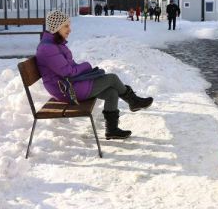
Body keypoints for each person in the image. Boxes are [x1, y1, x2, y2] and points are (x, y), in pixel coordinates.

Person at [36, 10, 154, 139]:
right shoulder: (48, 48)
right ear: (56, 28)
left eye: (69, 25)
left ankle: (112, 129)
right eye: (66, 26)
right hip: (65, 90)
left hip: (68, 85)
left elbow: (69, 68)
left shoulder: (55, 45)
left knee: (112, 92)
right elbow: (67, 71)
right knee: (112, 78)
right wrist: (86, 66)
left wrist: (83, 69)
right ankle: (133, 101)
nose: (69, 29)